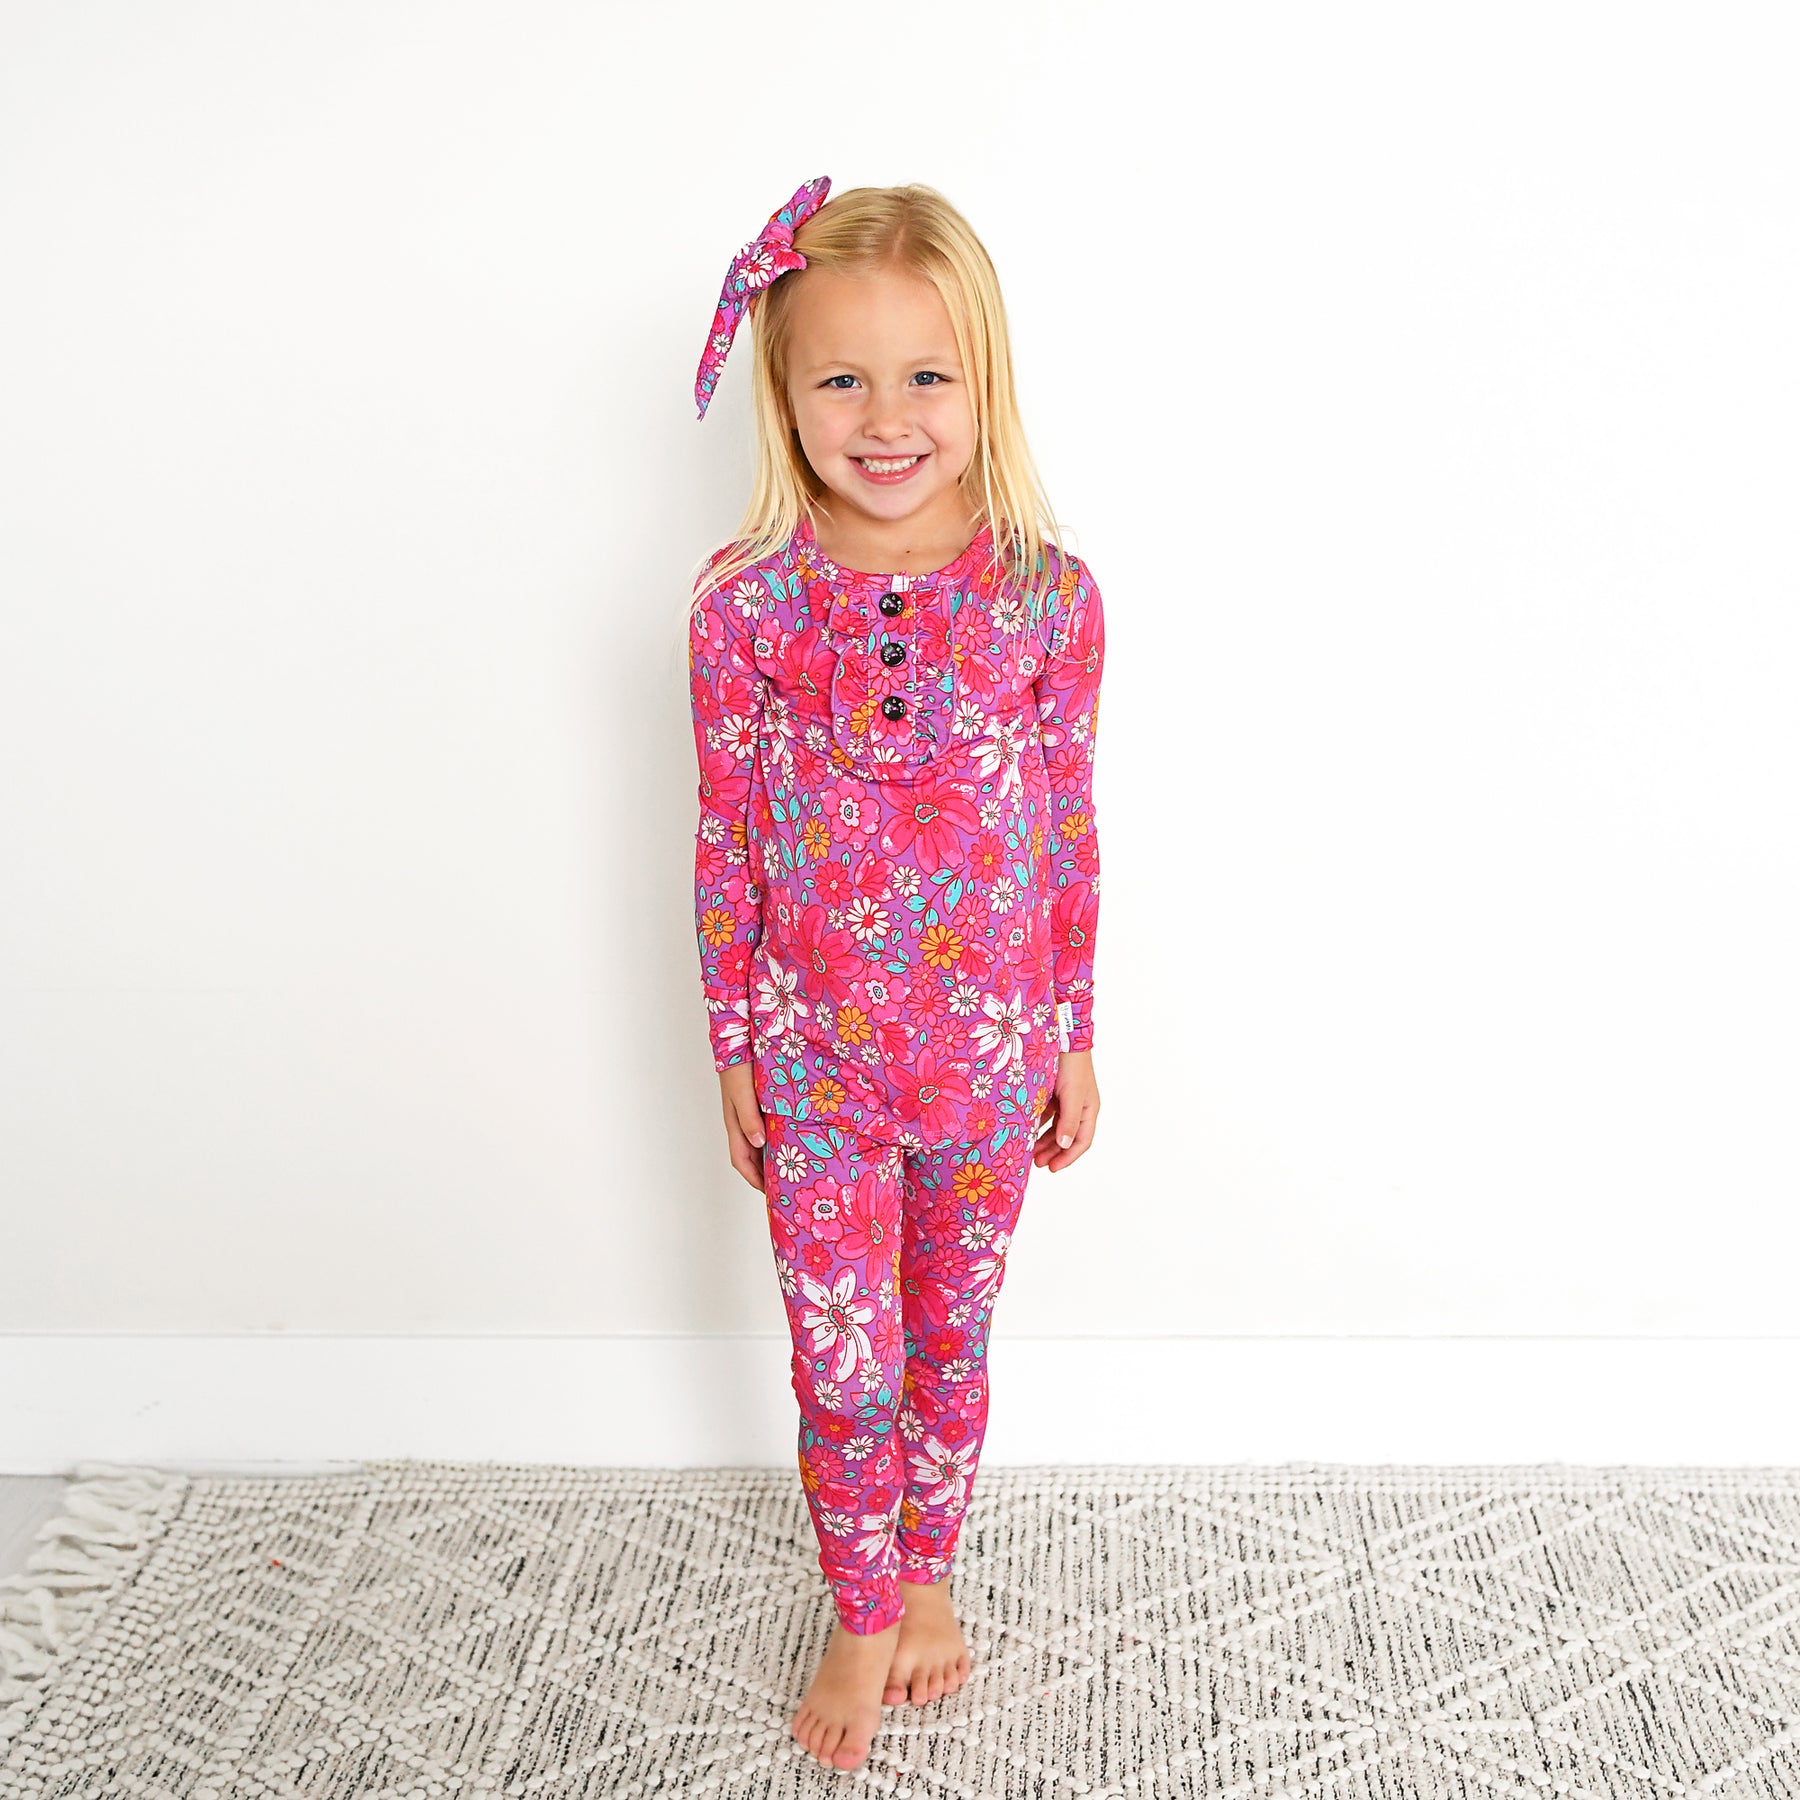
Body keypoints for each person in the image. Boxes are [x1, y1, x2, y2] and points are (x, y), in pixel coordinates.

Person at [684, 176, 1106, 1773]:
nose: (884, 418)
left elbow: (1067, 824)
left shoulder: (1047, 595)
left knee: (949, 1337)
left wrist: (1071, 1030)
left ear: (983, 380)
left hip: (986, 1064)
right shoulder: (748, 607)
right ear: (784, 394)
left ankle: (928, 1572)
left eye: (926, 375)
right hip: (817, 1064)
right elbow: (725, 836)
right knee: (840, 1354)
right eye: (841, 379)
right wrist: (734, 1043)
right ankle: (860, 1611)